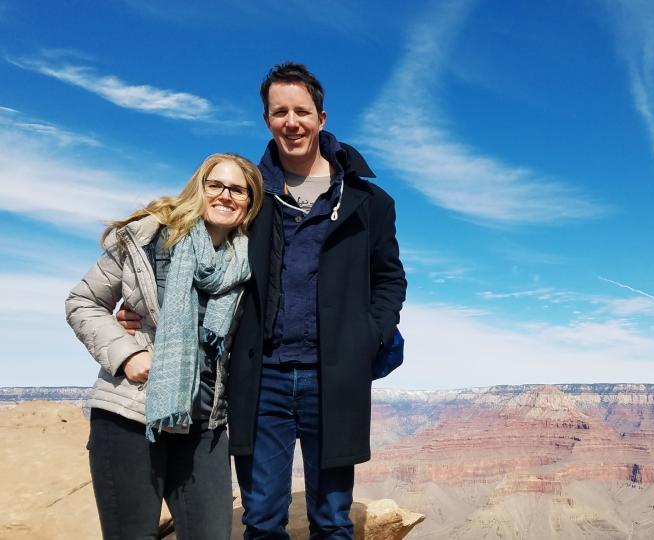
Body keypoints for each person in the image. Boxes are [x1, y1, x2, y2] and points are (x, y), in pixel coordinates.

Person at [118, 63, 406, 539]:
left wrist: (367, 336)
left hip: (333, 378)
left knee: (334, 522)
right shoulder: (249, 196)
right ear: (267, 120)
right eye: (279, 112)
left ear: (321, 117)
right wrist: (142, 303)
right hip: (261, 379)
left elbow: (389, 279)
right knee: (263, 521)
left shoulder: (368, 202)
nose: (291, 122)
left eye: (301, 111)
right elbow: (194, 250)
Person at [66, 153, 264, 539]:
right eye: (216, 185)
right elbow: (82, 301)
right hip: (133, 415)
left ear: (250, 202)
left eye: (238, 190)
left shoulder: (246, 262)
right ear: (199, 188)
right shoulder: (151, 237)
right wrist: (127, 355)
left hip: (205, 423)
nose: (226, 195)